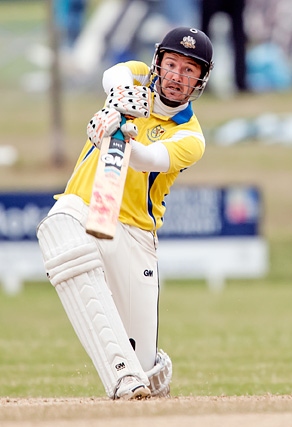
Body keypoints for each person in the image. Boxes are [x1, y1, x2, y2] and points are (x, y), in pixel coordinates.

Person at [36, 27, 214, 400]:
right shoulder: (134, 76)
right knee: (57, 228)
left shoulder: (192, 138)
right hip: (86, 204)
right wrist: (116, 103)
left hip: (133, 234)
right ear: (158, 64)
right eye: (171, 65)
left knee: (146, 371)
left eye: (188, 71)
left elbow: (150, 160)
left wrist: (118, 135)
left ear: (200, 80)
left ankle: (145, 374)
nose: (176, 77)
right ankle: (121, 377)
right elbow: (113, 73)